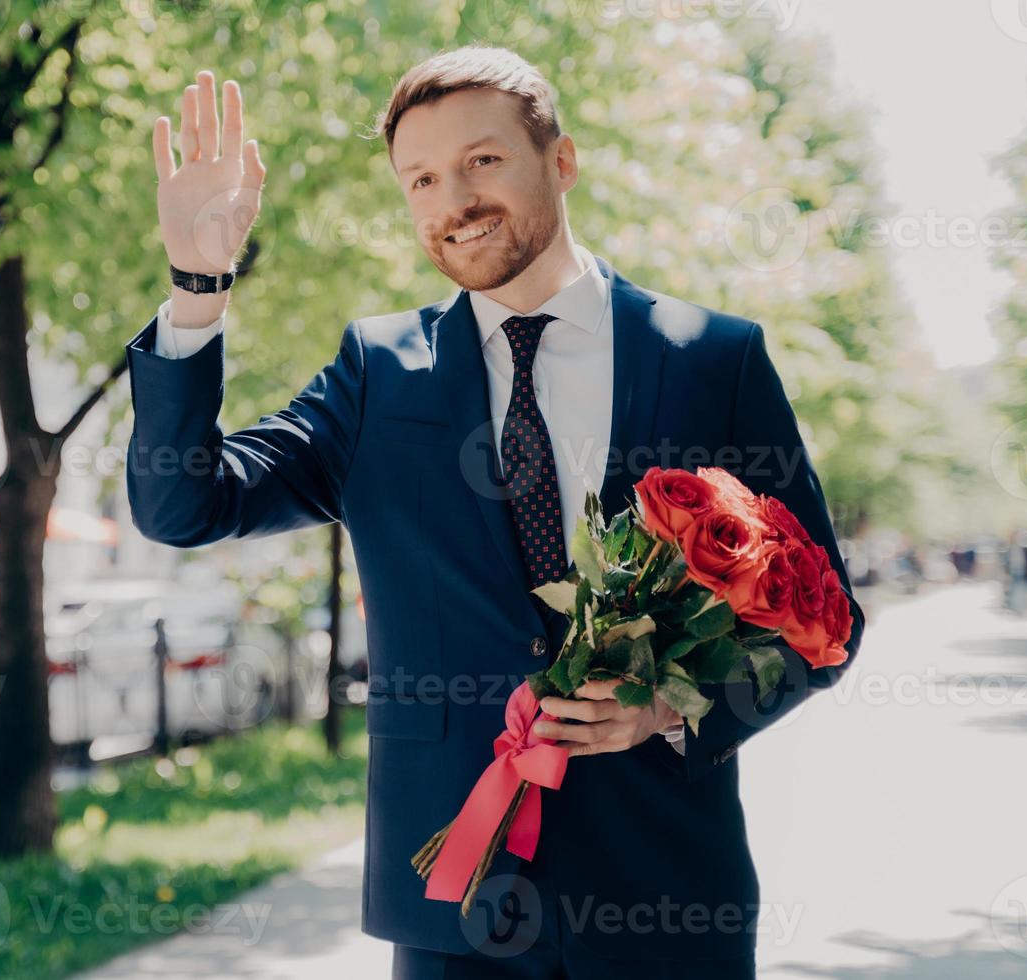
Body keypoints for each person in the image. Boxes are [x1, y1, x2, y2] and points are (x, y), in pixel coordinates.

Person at [126, 46, 865, 979]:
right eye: (422, 179)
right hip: (455, 905)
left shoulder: (712, 360)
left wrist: (669, 715)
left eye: (483, 162)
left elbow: (822, 620)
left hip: (667, 898)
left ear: (559, 161)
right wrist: (198, 286)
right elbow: (184, 503)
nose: (454, 201)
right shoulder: (374, 376)